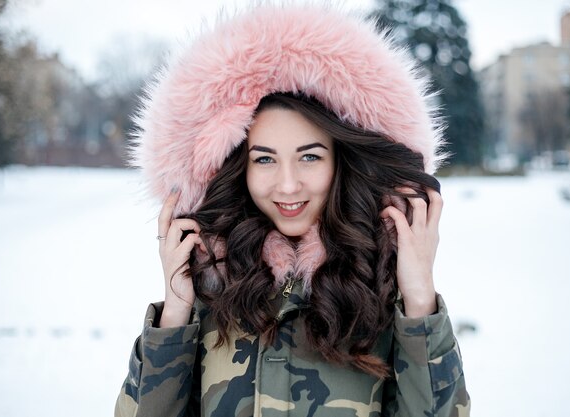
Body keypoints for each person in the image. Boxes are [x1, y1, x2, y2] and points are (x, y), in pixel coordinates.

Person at [115, 4, 470, 417]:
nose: (287, 185)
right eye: (264, 159)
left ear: (342, 160)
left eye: (310, 157)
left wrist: (419, 299)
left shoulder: (382, 286)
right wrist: (175, 312)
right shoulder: (210, 290)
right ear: (236, 167)